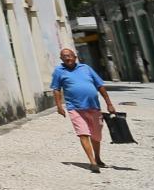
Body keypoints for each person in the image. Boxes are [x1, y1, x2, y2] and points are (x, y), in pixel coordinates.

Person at [50, 46, 116, 174]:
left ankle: (97, 157)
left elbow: (100, 86)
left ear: (75, 57)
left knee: (96, 135)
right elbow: (56, 89)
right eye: (64, 56)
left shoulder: (86, 68)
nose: (67, 58)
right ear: (61, 59)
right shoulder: (59, 71)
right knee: (83, 133)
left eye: (69, 55)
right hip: (75, 108)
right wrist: (59, 106)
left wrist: (109, 103)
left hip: (94, 107)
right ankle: (92, 162)